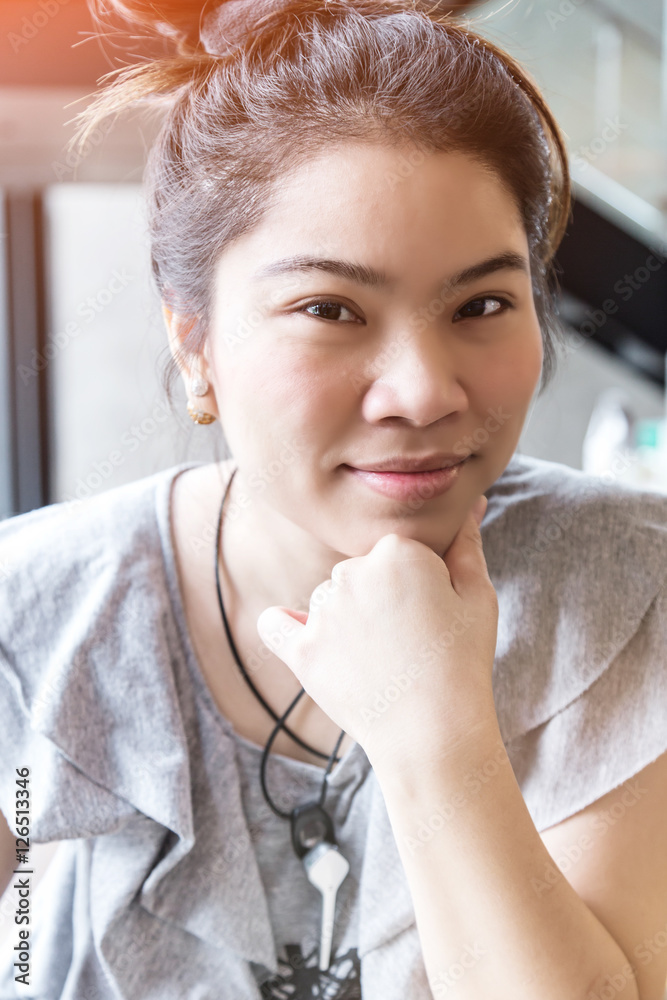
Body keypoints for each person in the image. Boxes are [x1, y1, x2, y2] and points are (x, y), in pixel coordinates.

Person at [1, 1, 666, 998]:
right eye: (330, 310)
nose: (425, 391)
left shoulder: (625, 586)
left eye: (482, 303)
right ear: (196, 345)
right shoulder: (32, 614)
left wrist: (430, 734)